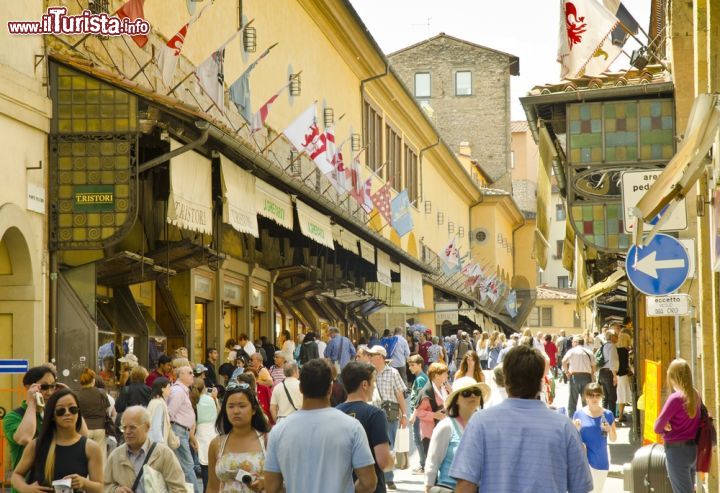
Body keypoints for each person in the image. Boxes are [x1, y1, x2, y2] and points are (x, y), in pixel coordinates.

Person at [450, 345, 593, 493]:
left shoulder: (481, 423)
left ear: (506, 380)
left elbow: (465, 485)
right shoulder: (564, 427)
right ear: (541, 382)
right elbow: (580, 487)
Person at [264, 359, 377, 493]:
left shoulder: (279, 431)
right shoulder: (352, 427)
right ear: (330, 388)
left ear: (301, 388)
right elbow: (369, 483)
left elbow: (272, 487)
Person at [11, 388, 103, 493]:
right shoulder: (37, 444)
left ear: (78, 412)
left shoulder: (91, 448)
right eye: (60, 410)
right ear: (52, 415)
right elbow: (16, 475)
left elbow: (99, 488)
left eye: (72, 409)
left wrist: (84, 482)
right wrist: (26, 488)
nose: (67, 413)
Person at [424, 377, 490, 493]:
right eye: (466, 393)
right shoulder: (446, 426)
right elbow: (432, 464)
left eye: (477, 392)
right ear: (456, 399)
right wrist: (428, 489)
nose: (473, 396)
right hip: (449, 489)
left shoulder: (485, 426)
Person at [337, 362, 394, 493]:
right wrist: (392, 459)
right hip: (371, 488)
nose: (374, 387)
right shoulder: (375, 414)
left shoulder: (334, 413)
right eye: (373, 382)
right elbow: (384, 462)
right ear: (364, 384)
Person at [206, 380, 271, 493]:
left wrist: (264, 483)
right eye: (230, 406)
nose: (236, 411)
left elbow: (282, 481)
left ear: (254, 409)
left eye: (242, 406)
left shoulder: (268, 440)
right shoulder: (216, 444)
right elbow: (212, 487)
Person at [104, 405, 187, 493]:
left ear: (147, 427)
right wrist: (115, 490)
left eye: (132, 427)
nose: (127, 432)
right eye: (124, 428)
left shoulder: (163, 454)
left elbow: (179, 489)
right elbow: (104, 486)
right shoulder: (116, 456)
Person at [3, 365, 59, 486]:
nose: (49, 392)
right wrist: (32, 403)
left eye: (53, 386)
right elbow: (25, 438)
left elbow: (82, 435)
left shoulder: (54, 414)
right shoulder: (13, 417)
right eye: (44, 387)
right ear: (29, 387)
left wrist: (68, 396)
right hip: (25, 485)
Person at [653, 358, 701, 493]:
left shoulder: (675, 398)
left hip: (676, 451)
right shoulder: (695, 394)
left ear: (673, 377)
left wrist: (664, 430)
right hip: (692, 450)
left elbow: (657, 426)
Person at [367, 345, 408, 490]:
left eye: (372, 355)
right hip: (372, 412)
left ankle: (388, 478)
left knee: (389, 446)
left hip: (389, 414)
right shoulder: (368, 372)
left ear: (380, 357)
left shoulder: (393, 372)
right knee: (373, 445)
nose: (370, 357)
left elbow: (399, 395)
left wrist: (404, 414)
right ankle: (379, 476)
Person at [573, 383, 617, 492]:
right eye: (591, 395)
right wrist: (576, 429)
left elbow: (613, 438)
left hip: (600, 461)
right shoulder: (578, 414)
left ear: (601, 396)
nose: (594, 398)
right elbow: (572, 439)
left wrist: (609, 430)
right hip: (583, 461)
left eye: (597, 395)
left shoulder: (608, 414)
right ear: (585, 397)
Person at [167, 365, 201, 493]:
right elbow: (170, 413)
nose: (193, 375)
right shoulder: (178, 391)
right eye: (190, 373)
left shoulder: (183, 391)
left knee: (184, 466)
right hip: (178, 431)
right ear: (181, 375)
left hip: (182, 431)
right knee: (187, 466)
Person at [413, 362, 450, 462]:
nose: (447, 375)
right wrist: (434, 415)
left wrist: (451, 391)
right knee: (432, 462)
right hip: (430, 433)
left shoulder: (444, 388)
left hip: (444, 431)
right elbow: (419, 412)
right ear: (437, 376)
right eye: (445, 373)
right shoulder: (426, 391)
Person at [76, 367, 111, 462]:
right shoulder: (101, 393)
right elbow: (107, 408)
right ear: (93, 380)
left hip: (84, 428)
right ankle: (100, 476)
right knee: (101, 457)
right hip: (100, 428)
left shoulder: (77, 395)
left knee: (85, 456)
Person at [195, 377, 219, 491]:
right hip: (213, 431)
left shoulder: (194, 401)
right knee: (212, 462)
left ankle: (206, 489)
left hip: (201, 431)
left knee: (204, 463)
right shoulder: (209, 399)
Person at [562, 335, 595, 417]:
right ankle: (587, 417)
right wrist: (591, 373)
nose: (572, 343)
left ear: (576, 342)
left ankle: (571, 418)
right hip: (587, 377)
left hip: (575, 377)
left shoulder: (572, 351)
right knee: (586, 399)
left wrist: (566, 372)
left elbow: (564, 361)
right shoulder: (589, 352)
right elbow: (594, 366)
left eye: (573, 342)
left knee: (573, 400)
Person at [407, 354, 429, 474]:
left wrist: (414, 414)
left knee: (418, 439)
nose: (410, 367)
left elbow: (421, 399)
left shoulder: (420, 379)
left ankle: (423, 465)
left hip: (419, 414)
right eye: (409, 365)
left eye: (412, 365)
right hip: (421, 413)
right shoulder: (421, 377)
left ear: (420, 365)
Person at [147, 377, 178, 449]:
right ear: (162, 389)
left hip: (153, 444)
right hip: (157, 446)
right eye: (169, 387)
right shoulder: (159, 404)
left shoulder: (154, 402)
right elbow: (156, 427)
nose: (171, 389)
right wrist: (162, 446)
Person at [597, 330, 619, 417]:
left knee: (605, 397)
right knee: (612, 397)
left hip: (602, 373)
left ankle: (603, 416)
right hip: (609, 373)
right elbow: (613, 362)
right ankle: (611, 418)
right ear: (612, 337)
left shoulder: (603, 346)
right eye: (616, 335)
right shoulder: (612, 346)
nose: (617, 337)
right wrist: (615, 376)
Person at [616, 331, 633, 422]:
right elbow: (624, 365)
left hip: (616, 375)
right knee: (622, 396)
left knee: (619, 395)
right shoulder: (624, 351)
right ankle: (621, 416)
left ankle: (619, 414)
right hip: (622, 375)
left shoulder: (615, 349)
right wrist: (629, 371)